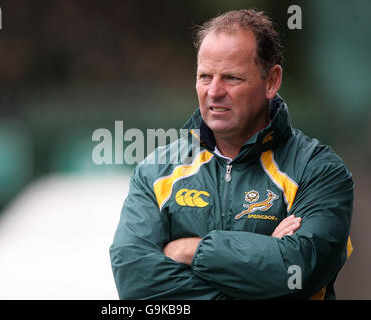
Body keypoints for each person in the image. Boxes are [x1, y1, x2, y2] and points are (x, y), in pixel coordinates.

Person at [109, 9, 353, 300]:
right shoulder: (156, 171)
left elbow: (297, 274)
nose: (214, 91)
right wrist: (260, 272)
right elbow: (137, 284)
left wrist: (192, 250)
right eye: (205, 76)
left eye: (232, 78)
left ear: (272, 81)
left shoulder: (319, 170)